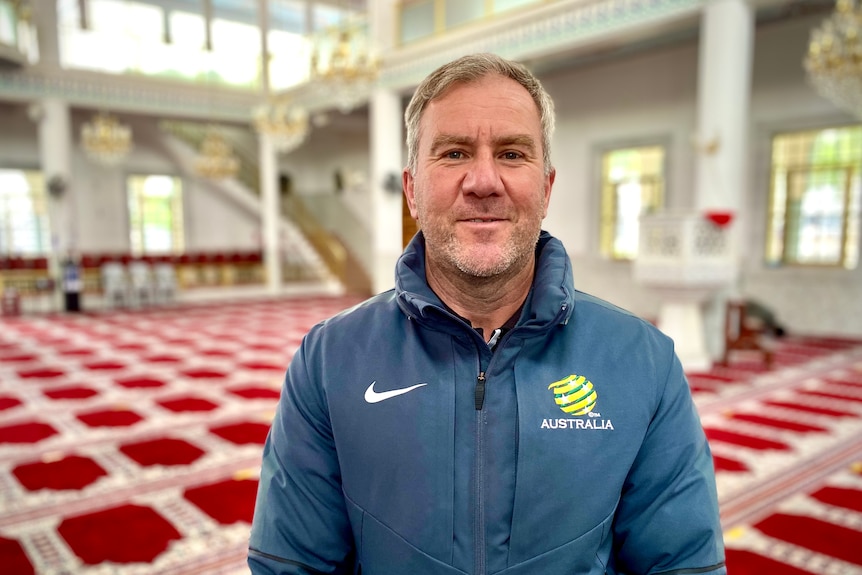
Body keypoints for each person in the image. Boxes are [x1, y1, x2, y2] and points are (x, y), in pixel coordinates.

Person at [248, 53, 726, 575]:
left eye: (512, 154)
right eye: (454, 153)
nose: (483, 180)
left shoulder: (643, 364)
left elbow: (682, 564)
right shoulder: (329, 360)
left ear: (545, 188)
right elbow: (291, 566)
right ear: (411, 189)